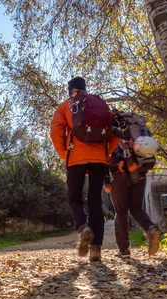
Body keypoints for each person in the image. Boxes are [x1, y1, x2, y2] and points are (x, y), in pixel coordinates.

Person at [50, 76, 120, 263]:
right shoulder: (101, 104)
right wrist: (105, 154)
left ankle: (83, 228)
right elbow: (115, 132)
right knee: (95, 202)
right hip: (99, 159)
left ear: (70, 90)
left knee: (74, 198)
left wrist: (66, 155)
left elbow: (56, 133)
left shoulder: (65, 106)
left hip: (75, 158)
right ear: (84, 88)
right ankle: (96, 251)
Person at [106, 139, 161, 257]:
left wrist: (105, 181)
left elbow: (105, 157)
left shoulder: (113, 131)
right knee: (136, 208)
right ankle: (151, 229)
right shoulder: (136, 130)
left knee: (121, 211)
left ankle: (124, 249)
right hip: (140, 173)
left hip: (120, 175)